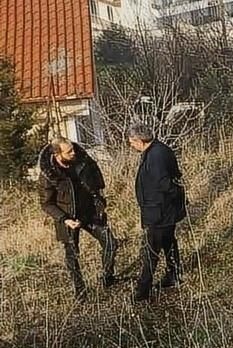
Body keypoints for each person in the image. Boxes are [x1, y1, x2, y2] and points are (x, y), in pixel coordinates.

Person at [37, 136, 118, 300]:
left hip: (90, 213)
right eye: (69, 151)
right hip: (67, 217)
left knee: (111, 242)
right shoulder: (48, 175)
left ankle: (107, 277)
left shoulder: (84, 162)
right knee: (72, 255)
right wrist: (65, 219)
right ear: (58, 154)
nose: (73, 152)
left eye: (73, 148)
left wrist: (99, 201)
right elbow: (46, 204)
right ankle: (80, 291)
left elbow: (98, 183)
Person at [127, 122, 187, 303]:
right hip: (161, 210)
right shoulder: (157, 150)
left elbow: (165, 183)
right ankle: (173, 275)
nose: (131, 145)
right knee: (169, 243)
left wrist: (173, 196)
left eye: (131, 141)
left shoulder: (156, 155)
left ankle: (142, 293)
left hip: (159, 212)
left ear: (139, 140)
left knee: (150, 251)